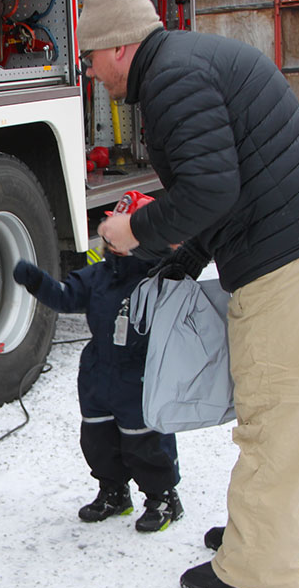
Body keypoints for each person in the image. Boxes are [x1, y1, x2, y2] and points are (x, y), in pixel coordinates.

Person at [80, 0, 299, 588]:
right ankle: (269, 534)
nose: (91, 71)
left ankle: (257, 566)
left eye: (92, 57)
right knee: (296, 414)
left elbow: (210, 189)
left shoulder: (172, 80)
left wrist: (136, 234)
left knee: (274, 413)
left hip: (291, 259)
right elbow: (216, 189)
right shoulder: (182, 62)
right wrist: (178, 263)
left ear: (121, 45)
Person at [11, 192, 184, 534]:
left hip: (141, 374)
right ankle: (113, 490)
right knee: (97, 438)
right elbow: (64, 297)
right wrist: (36, 280)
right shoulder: (98, 275)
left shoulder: (162, 278)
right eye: (110, 231)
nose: (111, 239)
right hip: (97, 372)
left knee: (145, 439)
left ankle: (162, 496)